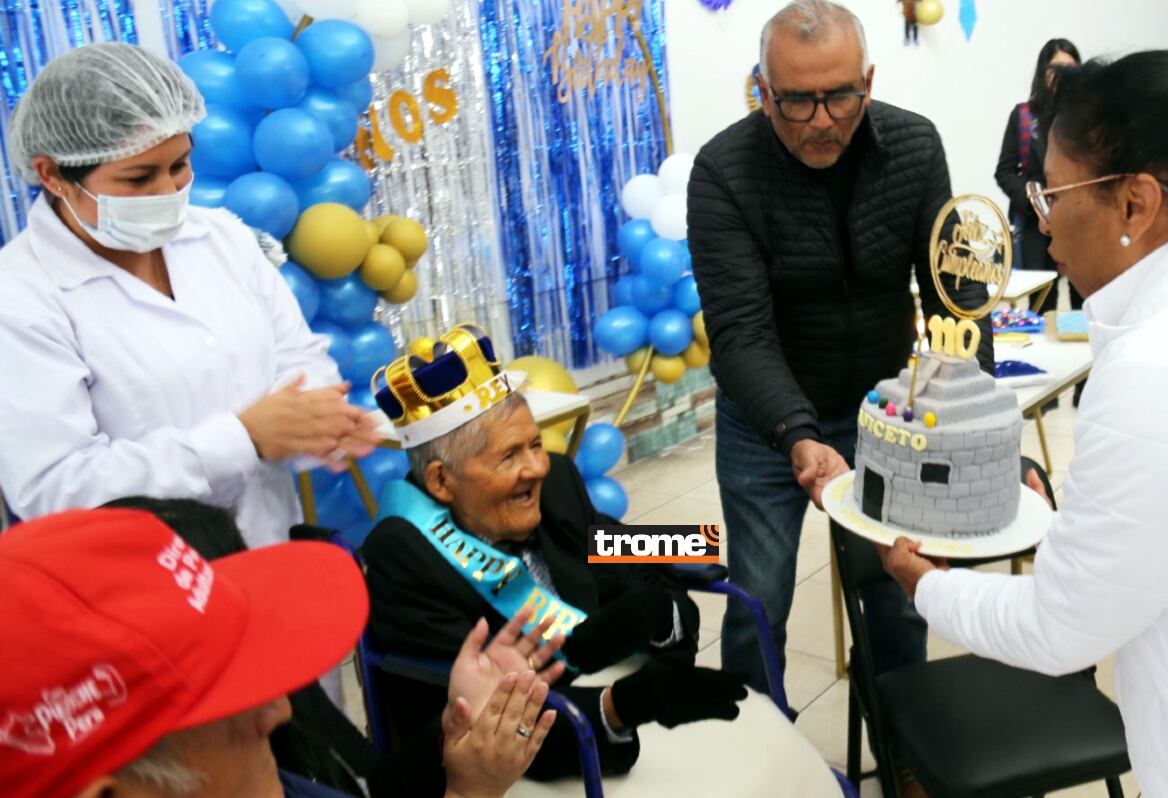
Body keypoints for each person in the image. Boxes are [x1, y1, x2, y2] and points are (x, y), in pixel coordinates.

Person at [880, 50, 1168, 797]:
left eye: (1052, 194)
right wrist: (1078, 528)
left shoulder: (1155, 370)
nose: (1038, 220)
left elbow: (1058, 630)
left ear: (1135, 204)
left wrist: (923, 584)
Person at [687, 0, 993, 692]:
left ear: (869, 81)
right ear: (762, 91)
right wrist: (795, 434)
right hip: (765, 426)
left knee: (895, 589)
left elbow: (954, 292)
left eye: (840, 97)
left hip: (886, 415)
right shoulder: (723, 172)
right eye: (797, 101)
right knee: (758, 599)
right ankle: (761, 747)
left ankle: (905, 743)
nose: (822, 121)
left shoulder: (914, 148)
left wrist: (973, 409)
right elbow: (738, 331)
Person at [0, 43, 378, 547]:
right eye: (138, 178)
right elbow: (57, 487)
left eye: (179, 166)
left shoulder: (220, 236)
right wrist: (243, 439)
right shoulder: (21, 298)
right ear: (52, 174)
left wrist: (316, 423)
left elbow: (297, 357)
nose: (167, 192)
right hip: (142, 587)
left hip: (270, 550)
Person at [359, 326, 755, 781]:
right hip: (519, 757)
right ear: (441, 482)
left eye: (534, 444)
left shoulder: (558, 483)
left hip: (612, 695)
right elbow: (481, 726)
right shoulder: (401, 554)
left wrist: (665, 616)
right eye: (509, 456)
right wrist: (621, 706)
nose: (538, 466)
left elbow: (627, 554)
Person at [0, 507, 560, 798]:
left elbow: (367, 786)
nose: (279, 711)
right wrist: (618, 704)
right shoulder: (407, 545)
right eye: (232, 703)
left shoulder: (561, 492)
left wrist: (457, 746)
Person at [995, 38, 1083, 312]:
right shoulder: (1023, 115)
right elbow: (1005, 171)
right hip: (1035, 228)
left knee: (1086, 303)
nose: (1062, 74)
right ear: (1043, 71)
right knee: (1040, 306)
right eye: (1056, 67)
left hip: (1080, 224)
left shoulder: (1087, 117)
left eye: (1071, 67)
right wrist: (1034, 198)